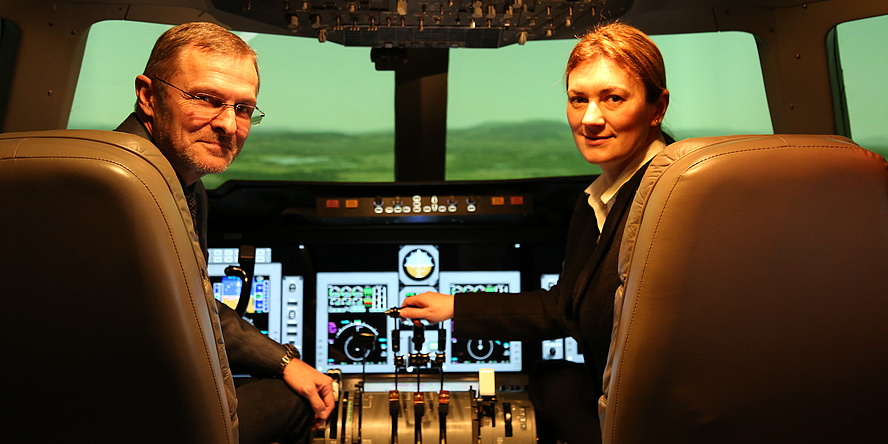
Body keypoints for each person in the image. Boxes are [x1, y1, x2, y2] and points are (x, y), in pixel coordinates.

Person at [398, 22, 670, 443]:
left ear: (657, 108)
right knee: (553, 380)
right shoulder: (598, 199)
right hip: (623, 399)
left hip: (654, 414)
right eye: (578, 99)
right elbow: (566, 305)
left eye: (613, 98)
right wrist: (456, 306)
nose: (591, 119)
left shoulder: (672, 199)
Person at [114, 22, 335, 444]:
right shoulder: (127, 189)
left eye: (244, 109)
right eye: (206, 100)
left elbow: (187, 302)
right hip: (127, 413)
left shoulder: (180, 184)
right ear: (148, 96)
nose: (228, 125)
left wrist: (282, 359)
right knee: (296, 402)